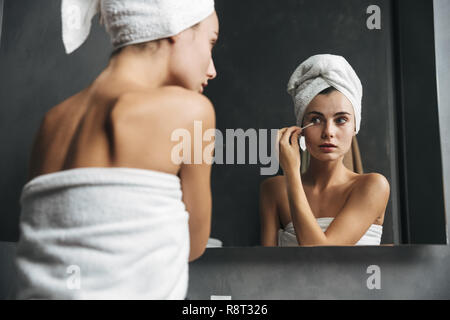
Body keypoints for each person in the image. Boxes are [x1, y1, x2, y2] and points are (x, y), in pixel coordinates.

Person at [15, 0, 219, 299]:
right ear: (177, 28)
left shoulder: (52, 123)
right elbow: (195, 244)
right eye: (210, 42)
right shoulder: (189, 112)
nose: (212, 69)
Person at [259, 54, 390, 247]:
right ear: (300, 128)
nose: (328, 132)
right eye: (315, 120)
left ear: (355, 127)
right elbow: (263, 269)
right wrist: (291, 174)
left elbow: (323, 257)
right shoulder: (273, 190)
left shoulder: (373, 186)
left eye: (341, 120)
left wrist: (291, 173)